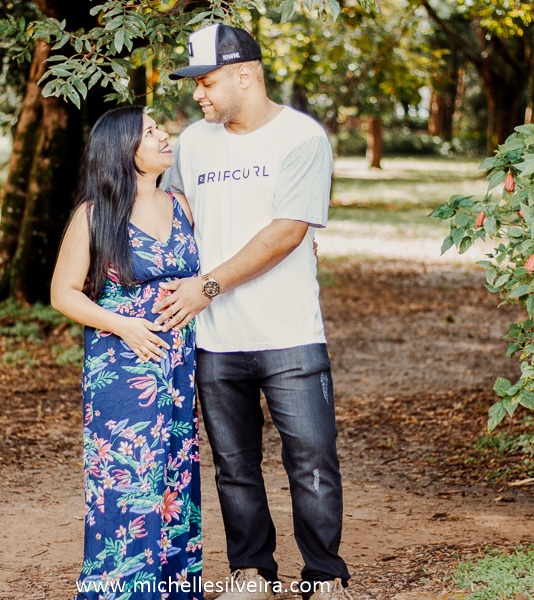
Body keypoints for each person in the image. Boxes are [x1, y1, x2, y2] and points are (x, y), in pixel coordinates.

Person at [153, 23, 352, 600]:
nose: (198, 94)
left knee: (312, 462)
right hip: (215, 340)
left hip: (289, 333)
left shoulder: (301, 138)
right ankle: (251, 570)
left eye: (207, 81)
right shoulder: (192, 142)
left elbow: (287, 232)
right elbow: (176, 213)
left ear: (245, 74)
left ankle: (323, 575)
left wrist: (205, 287)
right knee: (233, 465)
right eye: (195, 84)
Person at [50, 106, 202, 600]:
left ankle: (176, 590)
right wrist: (123, 326)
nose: (163, 136)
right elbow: (64, 293)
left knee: (175, 476)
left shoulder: (182, 204)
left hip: (179, 363)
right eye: (150, 131)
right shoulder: (95, 214)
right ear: (123, 150)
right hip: (121, 366)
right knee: (125, 481)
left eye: (160, 128)